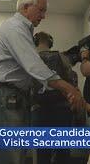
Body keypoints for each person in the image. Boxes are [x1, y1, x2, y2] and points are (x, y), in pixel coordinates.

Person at [0, 0, 84, 164]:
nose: (44, 16)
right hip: (5, 97)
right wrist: (69, 88)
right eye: (41, 10)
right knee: (11, 156)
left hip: (9, 97)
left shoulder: (20, 29)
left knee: (9, 154)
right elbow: (34, 65)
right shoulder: (15, 28)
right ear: (26, 7)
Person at [31, 31, 76, 164]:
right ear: (50, 43)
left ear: (35, 42)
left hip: (40, 110)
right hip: (62, 110)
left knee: (42, 152)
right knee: (62, 151)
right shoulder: (62, 58)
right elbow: (72, 82)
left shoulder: (32, 59)